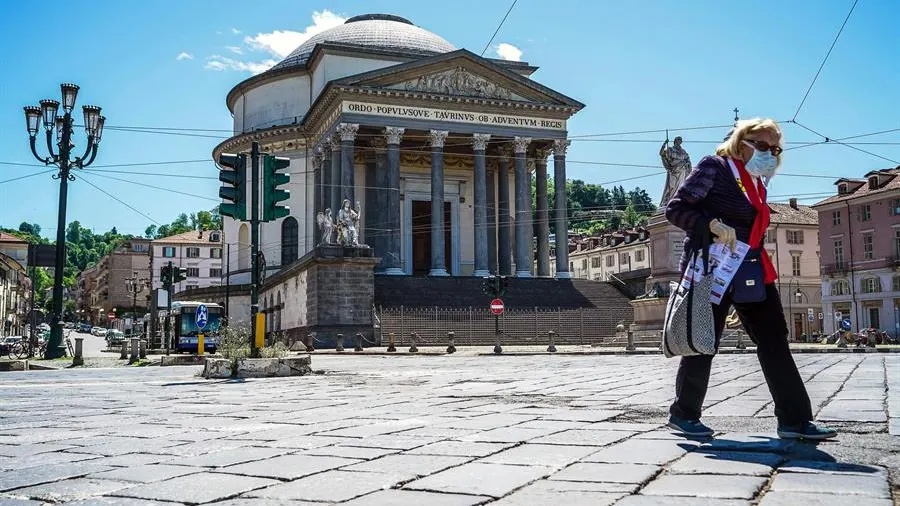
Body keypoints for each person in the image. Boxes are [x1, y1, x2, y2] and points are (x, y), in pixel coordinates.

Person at [664, 118, 836, 440]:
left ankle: (795, 421)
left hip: (750, 267)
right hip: (711, 267)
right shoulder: (714, 167)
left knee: (774, 339)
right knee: (704, 339)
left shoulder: (757, 181)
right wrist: (711, 224)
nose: (769, 152)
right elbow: (676, 209)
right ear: (740, 142)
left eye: (774, 148)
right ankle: (684, 414)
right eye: (761, 145)